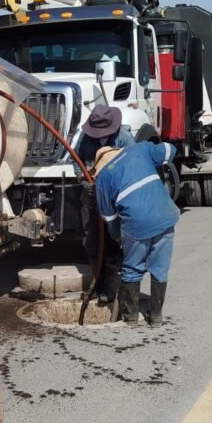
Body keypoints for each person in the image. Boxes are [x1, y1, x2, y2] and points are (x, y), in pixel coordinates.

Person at [91, 141, 180, 327]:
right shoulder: (140, 149)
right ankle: (156, 317)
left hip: (136, 225)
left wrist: (117, 237)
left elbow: (109, 218)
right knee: (160, 268)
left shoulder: (102, 179)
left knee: (132, 268)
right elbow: (171, 150)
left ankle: (131, 317)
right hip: (165, 216)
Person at [73, 105, 134, 305]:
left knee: (114, 242)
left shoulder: (124, 139)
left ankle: (111, 287)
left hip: (114, 200)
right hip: (90, 199)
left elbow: (135, 167)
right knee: (92, 243)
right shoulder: (85, 138)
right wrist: (83, 179)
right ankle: (97, 286)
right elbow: (76, 160)